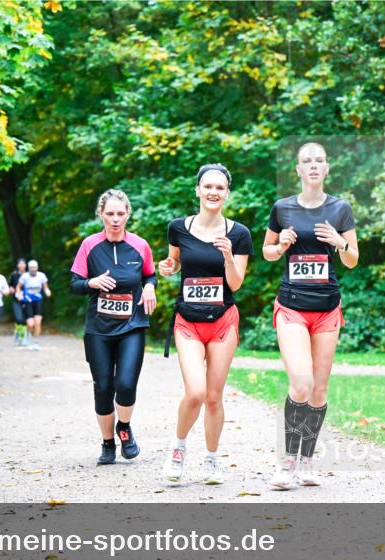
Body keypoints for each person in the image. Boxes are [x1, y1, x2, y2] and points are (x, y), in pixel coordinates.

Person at [262, 142, 359, 489]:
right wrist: (281, 245)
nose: (314, 165)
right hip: (291, 306)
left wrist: (338, 241)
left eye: (319, 160)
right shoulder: (282, 208)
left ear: (327, 168)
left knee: (318, 391)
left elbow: (352, 259)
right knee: (300, 383)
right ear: (299, 170)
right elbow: (268, 253)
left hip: (327, 309)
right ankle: (287, 462)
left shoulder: (340, 209)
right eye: (307, 161)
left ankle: (307, 461)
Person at [159, 164, 252, 485]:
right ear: (198, 190)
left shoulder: (238, 234)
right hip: (188, 321)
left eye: (220, 188)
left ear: (227, 193)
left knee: (214, 396)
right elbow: (173, 261)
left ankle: (211, 460)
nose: (213, 192)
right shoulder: (178, 228)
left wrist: (228, 256)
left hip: (223, 320)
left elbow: (236, 283)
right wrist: (167, 267)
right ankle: (178, 447)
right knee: (195, 392)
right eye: (208, 186)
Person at [70, 189, 157, 465]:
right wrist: (91, 283)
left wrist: (149, 287)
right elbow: (74, 283)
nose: (115, 219)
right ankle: (108, 443)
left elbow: (150, 274)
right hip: (98, 329)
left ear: (128, 214)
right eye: (110, 214)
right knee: (104, 387)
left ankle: (124, 427)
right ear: (101, 215)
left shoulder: (140, 245)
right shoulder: (89, 245)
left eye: (121, 213)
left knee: (126, 384)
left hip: (132, 325)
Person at [16, 260, 51, 350]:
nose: (33, 269)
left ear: (37, 267)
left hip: (38, 301)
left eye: (34, 267)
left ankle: (36, 342)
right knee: (31, 324)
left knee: (38, 322)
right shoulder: (25, 276)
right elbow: (18, 287)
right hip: (28, 302)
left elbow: (45, 287)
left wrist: (47, 291)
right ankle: (28, 334)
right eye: (31, 268)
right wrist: (19, 294)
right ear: (29, 268)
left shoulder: (41, 276)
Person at [8, 258, 28, 345]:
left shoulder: (28, 275)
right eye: (20, 264)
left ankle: (22, 336)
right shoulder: (14, 275)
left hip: (27, 300)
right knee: (18, 318)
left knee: (25, 320)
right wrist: (11, 289)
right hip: (16, 300)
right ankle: (18, 333)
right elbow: (10, 285)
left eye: (23, 264)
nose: (22, 266)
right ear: (17, 265)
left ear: (25, 265)